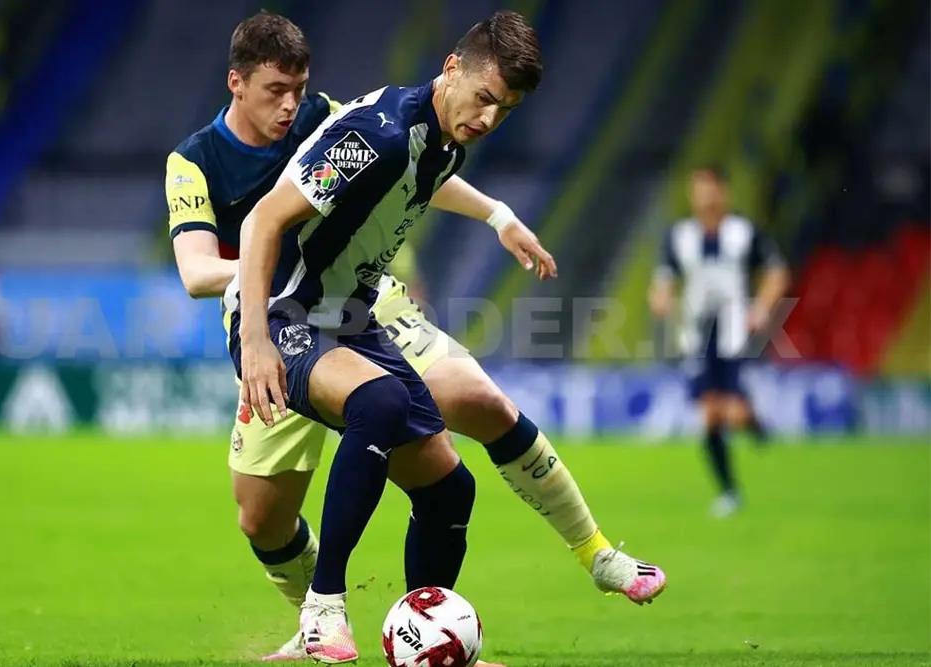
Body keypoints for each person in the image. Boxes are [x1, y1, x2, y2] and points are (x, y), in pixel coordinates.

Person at [168, 11, 667, 663]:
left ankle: (427, 635)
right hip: (286, 312)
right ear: (452, 70)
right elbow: (262, 221)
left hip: (354, 313)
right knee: (305, 473)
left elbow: (423, 176)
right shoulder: (369, 134)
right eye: (484, 98)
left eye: (505, 109)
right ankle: (321, 608)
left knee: (452, 486)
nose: (489, 118)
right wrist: (257, 341)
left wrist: (498, 216)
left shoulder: (438, 138)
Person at [649, 164, 790, 518]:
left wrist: (762, 307)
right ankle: (729, 492)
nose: (705, 195)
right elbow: (664, 278)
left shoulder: (744, 232)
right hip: (697, 333)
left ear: (723, 192)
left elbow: (776, 273)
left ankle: (752, 423)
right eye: (698, 188)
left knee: (731, 412)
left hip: (734, 331)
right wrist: (661, 297)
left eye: (710, 187)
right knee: (710, 413)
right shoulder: (680, 235)